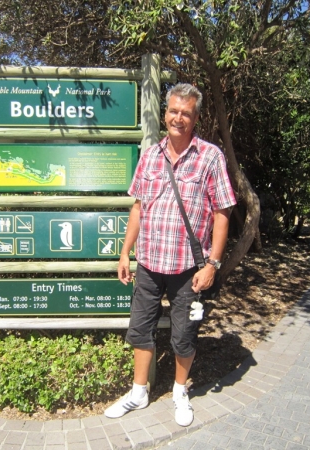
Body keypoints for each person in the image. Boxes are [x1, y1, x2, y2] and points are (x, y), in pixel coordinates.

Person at [104, 83, 237, 427]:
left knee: (183, 335)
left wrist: (213, 263)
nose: (179, 118)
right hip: (148, 263)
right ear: (165, 113)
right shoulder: (150, 155)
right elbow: (138, 207)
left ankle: (180, 392)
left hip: (188, 269)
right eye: (173, 111)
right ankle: (138, 392)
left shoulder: (210, 156)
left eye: (186, 113)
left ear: (195, 118)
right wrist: (124, 253)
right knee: (141, 329)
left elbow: (223, 213)